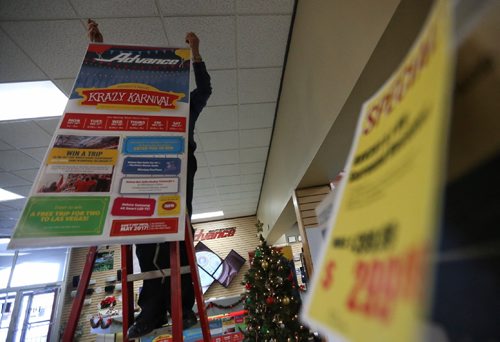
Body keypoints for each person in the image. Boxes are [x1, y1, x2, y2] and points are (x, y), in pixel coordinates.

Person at [87, 21, 212, 338]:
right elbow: (108, 87)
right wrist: (99, 48)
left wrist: (196, 53)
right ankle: (152, 312)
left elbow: (206, 89)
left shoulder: (186, 107)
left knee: (180, 237)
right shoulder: (140, 106)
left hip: (182, 167)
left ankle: (182, 309)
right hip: (142, 168)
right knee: (146, 241)